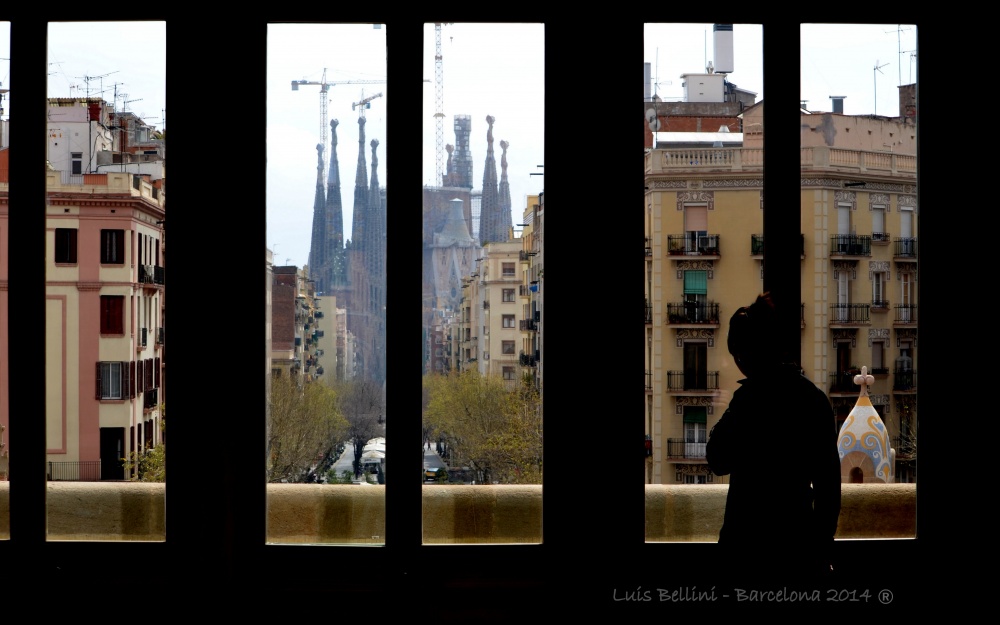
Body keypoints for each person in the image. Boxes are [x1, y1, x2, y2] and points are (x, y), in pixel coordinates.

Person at [706, 292, 841, 580]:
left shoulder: (748, 401)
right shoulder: (813, 399)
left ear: (744, 355)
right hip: (797, 550)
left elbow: (717, 458)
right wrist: (818, 551)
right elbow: (829, 491)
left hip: (745, 551)